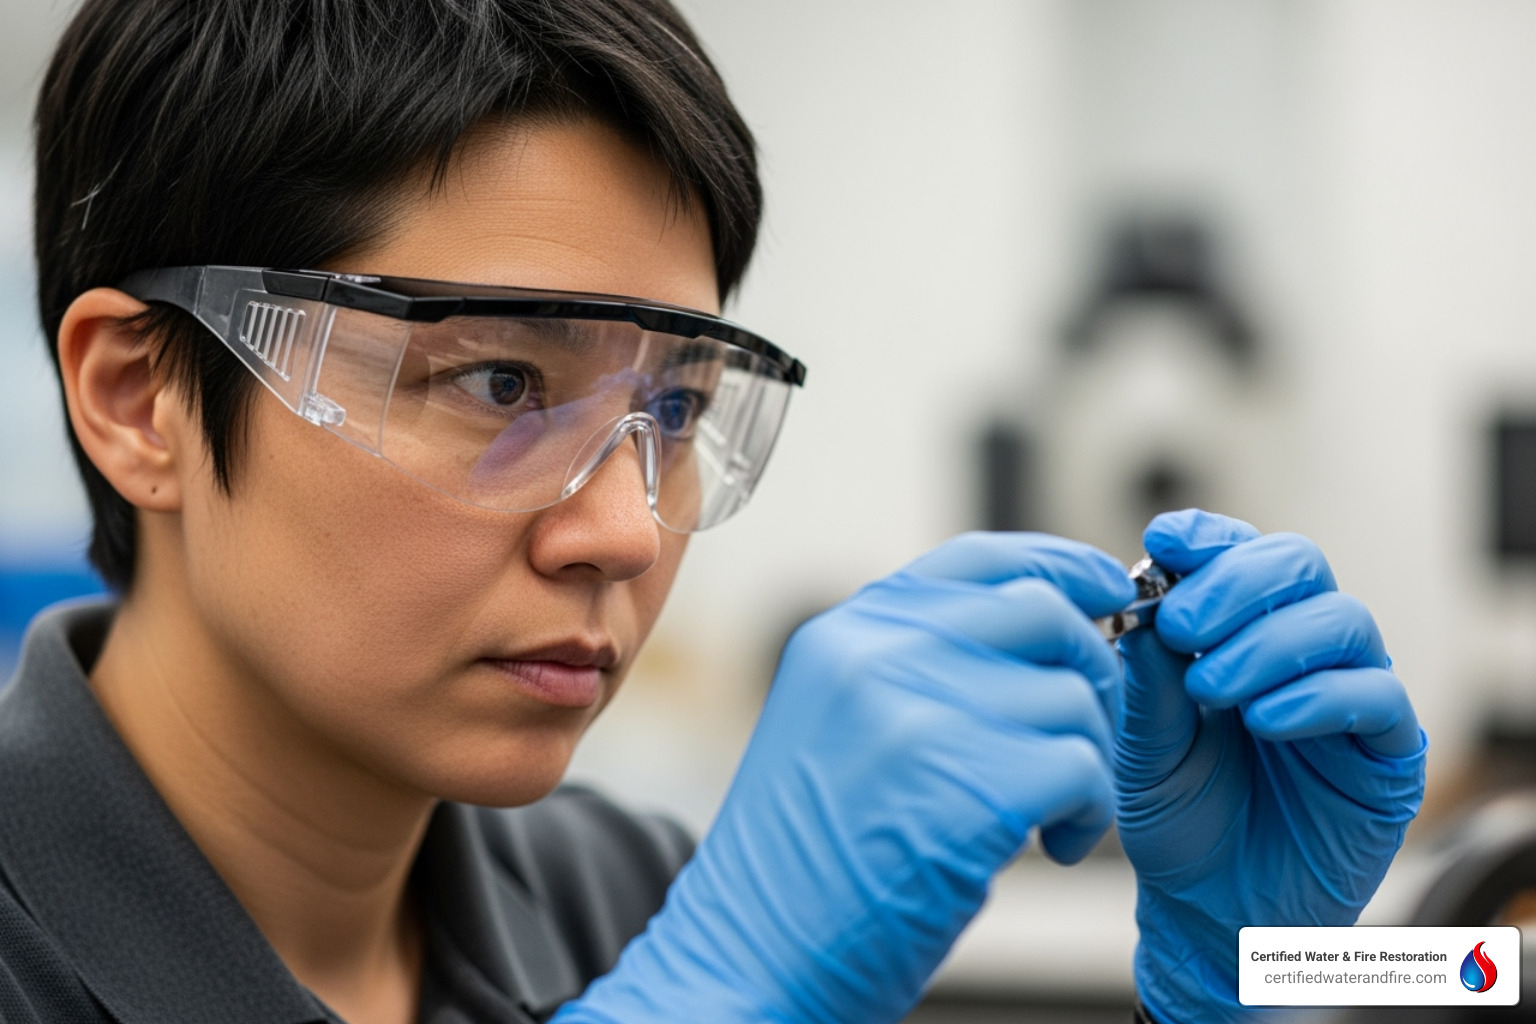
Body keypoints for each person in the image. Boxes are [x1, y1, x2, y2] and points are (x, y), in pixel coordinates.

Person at [10, 1, 1426, 1022]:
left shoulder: (625, 890)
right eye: (501, 382)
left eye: (677, 412)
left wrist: (1239, 979)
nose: (627, 531)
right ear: (145, 401)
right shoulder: (715, 946)